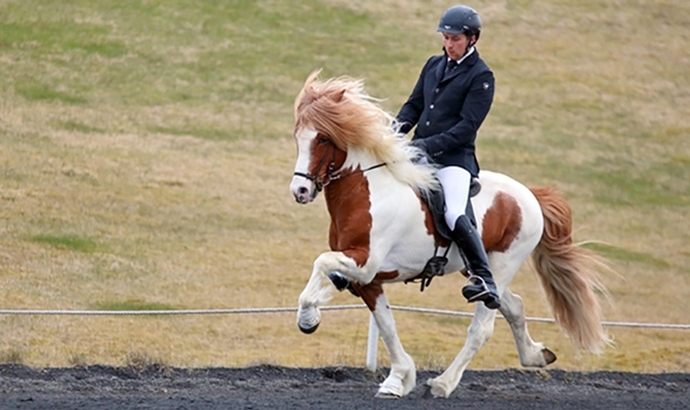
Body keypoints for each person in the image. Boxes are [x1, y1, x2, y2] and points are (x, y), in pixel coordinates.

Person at [395, 5, 500, 309]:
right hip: (418, 153)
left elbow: (466, 128)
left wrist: (426, 146)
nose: (449, 44)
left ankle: (484, 278)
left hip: (454, 159)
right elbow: (413, 106)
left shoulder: (481, 76)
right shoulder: (432, 65)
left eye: (455, 39)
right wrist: (392, 133)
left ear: (472, 39)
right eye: (445, 37)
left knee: (454, 213)